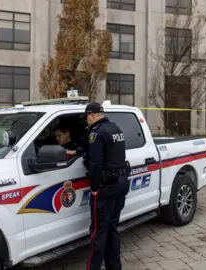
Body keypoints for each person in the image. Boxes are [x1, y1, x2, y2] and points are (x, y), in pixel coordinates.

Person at [82, 101, 130, 270]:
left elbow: (96, 164)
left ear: (92, 115)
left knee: (98, 232)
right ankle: (114, 266)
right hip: (121, 182)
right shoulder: (115, 128)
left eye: (86, 118)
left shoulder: (96, 133)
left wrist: (94, 188)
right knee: (112, 228)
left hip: (106, 187)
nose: (86, 122)